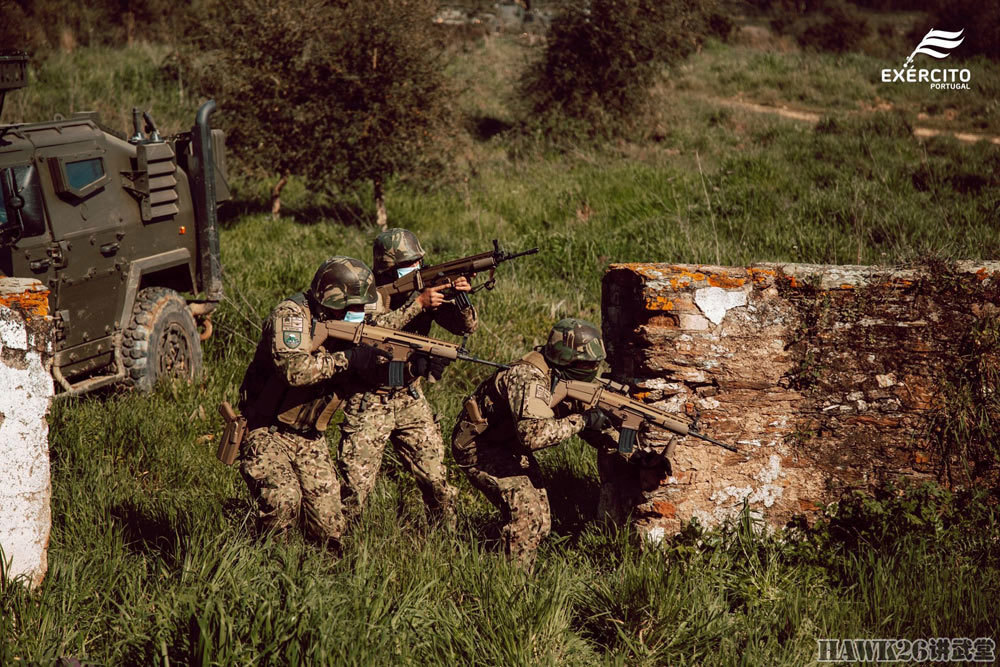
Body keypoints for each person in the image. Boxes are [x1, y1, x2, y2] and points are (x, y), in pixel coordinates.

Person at [451, 318, 619, 569]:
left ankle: (508, 563)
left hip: (509, 446)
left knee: (541, 522)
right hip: (479, 447)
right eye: (587, 363)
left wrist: (627, 450)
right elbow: (534, 435)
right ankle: (511, 587)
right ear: (566, 359)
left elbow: (590, 425)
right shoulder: (527, 377)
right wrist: (583, 421)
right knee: (526, 518)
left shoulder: (562, 377)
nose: (593, 369)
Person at [336, 228, 477, 529]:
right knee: (354, 490)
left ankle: (446, 540)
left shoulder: (423, 289)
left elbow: (466, 327)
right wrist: (418, 305)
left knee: (436, 479)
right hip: (369, 400)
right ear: (387, 267)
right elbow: (368, 334)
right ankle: (337, 547)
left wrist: (460, 299)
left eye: (417, 263)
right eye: (406, 265)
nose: (415, 270)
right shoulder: (365, 293)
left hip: (410, 396)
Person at [237, 256, 379, 550]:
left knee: (330, 529)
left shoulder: (348, 323)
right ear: (332, 301)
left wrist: (405, 367)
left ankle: (321, 581)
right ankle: (266, 563)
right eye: (352, 308)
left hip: (309, 436)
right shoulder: (291, 316)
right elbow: (295, 370)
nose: (359, 314)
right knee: (283, 499)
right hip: (266, 429)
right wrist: (348, 360)